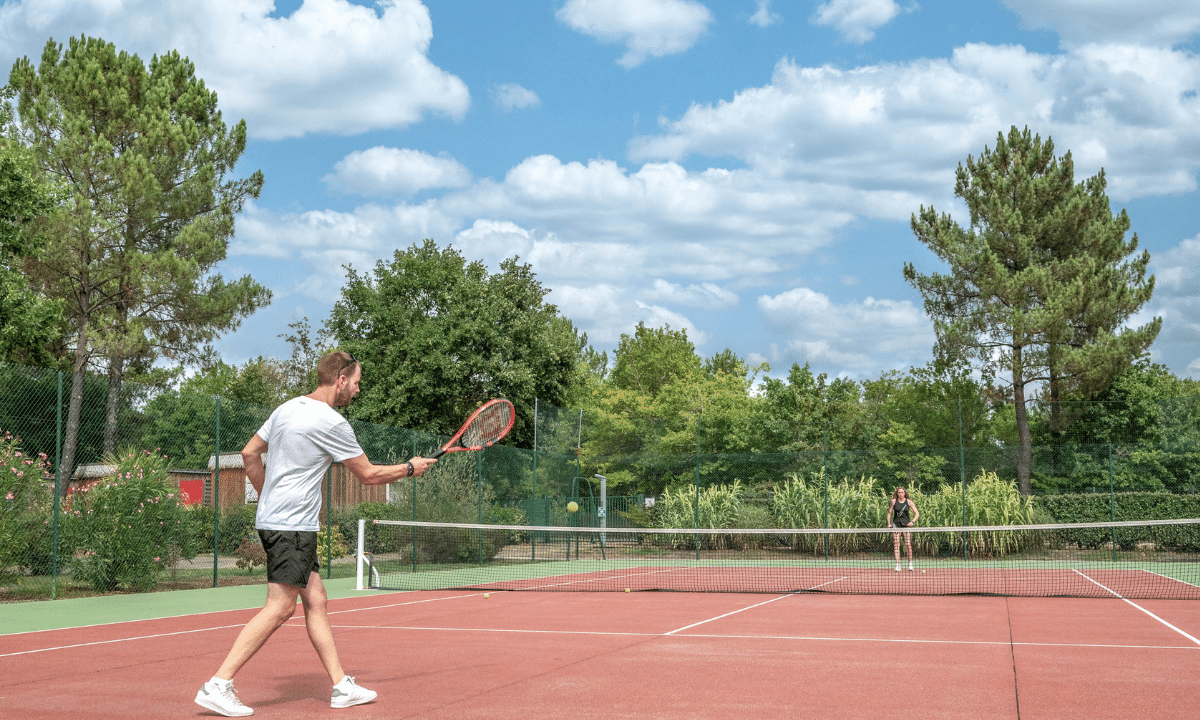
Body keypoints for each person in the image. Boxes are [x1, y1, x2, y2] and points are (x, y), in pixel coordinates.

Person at [195, 351, 437, 717]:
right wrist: (409, 467)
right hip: (291, 525)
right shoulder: (332, 423)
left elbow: (249, 454)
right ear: (340, 380)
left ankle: (340, 686)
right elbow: (368, 475)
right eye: (356, 383)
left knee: (317, 598)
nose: (357, 391)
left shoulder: (287, 409)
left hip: (280, 520)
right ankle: (219, 683)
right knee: (280, 608)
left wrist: (269, 499)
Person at [887, 486, 919, 572]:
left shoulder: (909, 502)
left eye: (902, 492)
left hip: (906, 525)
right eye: (899, 492)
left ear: (904, 493)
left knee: (908, 544)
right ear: (897, 494)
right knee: (896, 543)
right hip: (896, 525)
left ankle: (910, 563)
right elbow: (889, 513)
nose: (900, 494)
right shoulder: (893, 502)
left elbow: (917, 513)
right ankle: (898, 565)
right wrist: (889, 523)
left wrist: (912, 521)